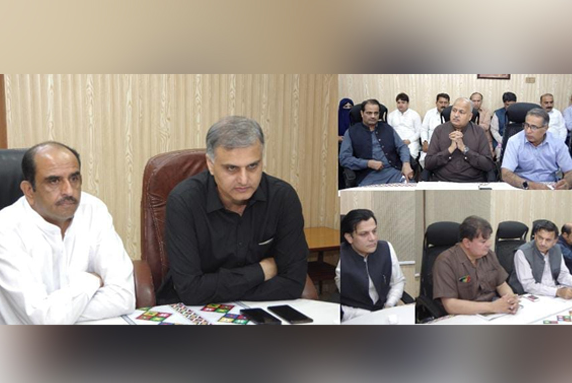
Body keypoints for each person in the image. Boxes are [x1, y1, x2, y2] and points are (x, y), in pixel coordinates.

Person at [0, 142, 135, 324]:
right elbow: (42, 322)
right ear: (29, 191)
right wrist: (90, 281)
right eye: (54, 181)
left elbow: (124, 297)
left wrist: (60, 314)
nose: (68, 191)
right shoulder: (4, 231)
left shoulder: (93, 210)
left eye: (74, 178)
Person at [159, 116, 309, 305]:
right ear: (211, 165)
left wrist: (219, 288)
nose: (244, 180)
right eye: (232, 168)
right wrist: (262, 271)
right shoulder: (184, 201)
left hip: (262, 309)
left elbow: (293, 283)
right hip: (193, 312)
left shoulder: (283, 198)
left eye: (253, 166)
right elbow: (191, 291)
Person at [432, 216, 519, 315]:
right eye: (483, 241)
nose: (489, 244)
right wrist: (492, 307)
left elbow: (501, 284)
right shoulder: (445, 261)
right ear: (467, 243)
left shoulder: (489, 255)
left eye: (488, 239)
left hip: (492, 313)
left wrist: (511, 300)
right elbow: (450, 305)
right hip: (464, 315)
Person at [336, 209, 406, 322]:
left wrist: (389, 304)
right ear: (349, 237)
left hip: (384, 312)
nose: (372, 238)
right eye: (364, 234)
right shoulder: (340, 256)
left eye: (374, 231)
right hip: (355, 317)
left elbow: (398, 282)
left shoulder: (386, 248)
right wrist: (367, 316)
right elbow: (341, 306)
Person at [501, 108, 572, 190]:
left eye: (533, 127)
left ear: (545, 128)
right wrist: (529, 185)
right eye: (526, 125)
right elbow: (505, 174)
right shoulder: (514, 141)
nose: (528, 131)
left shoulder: (556, 142)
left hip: (549, 188)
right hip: (522, 186)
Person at [509, 220, 572, 299]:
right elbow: (529, 285)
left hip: (553, 292)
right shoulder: (522, 252)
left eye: (548, 240)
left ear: (555, 241)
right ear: (535, 235)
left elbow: (562, 274)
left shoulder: (557, 249)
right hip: (530, 295)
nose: (543, 243)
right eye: (540, 238)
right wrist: (557, 292)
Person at [340, 99, 414, 186]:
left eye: (376, 113)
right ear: (361, 113)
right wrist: (368, 163)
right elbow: (344, 158)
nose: (373, 116)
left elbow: (402, 147)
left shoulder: (387, 128)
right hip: (368, 176)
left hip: (393, 173)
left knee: (412, 191)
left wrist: (406, 163)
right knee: (373, 198)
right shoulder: (351, 132)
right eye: (369, 113)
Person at [424, 97, 495, 182]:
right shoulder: (439, 130)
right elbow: (428, 163)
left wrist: (464, 149)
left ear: (470, 116)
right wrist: (449, 150)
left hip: (472, 182)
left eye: (461, 112)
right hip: (443, 181)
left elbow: (488, 165)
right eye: (454, 110)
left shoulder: (479, 132)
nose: (456, 115)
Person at [387, 92, 422, 159]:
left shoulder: (415, 115)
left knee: (410, 155)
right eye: (398, 102)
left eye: (403, 102)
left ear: (407, 103)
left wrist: (409, 140)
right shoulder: (391, 115)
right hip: (396, 142)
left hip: (411, 142)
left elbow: (419, 132)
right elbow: (389, 132)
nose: (400, 105)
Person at [421, 93, 451, 159]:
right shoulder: (429, 113)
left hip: (448, 145)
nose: (443, 105)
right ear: (436, 103)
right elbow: (424, 129)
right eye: (441, 102)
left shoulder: (452, 114)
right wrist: (425, 142)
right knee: (424, 159)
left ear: (449, 103)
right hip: (430, 144)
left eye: (445, 103)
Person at [491, 92, 517, 160]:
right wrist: (502, 140)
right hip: (500, 140)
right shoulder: (497, 113)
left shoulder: (519, 113)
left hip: (515, 140)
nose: (509, 107)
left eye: (512, 105)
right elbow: (494, 130)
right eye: (507, 105)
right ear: (504, 103)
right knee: (500, 151)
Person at [338, 98, 354, 189]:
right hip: (338, 147)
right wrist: (337, 138)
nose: (348, 109)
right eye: (345, 107)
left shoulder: (356, 121)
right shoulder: (336, 119)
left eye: (350, 107)